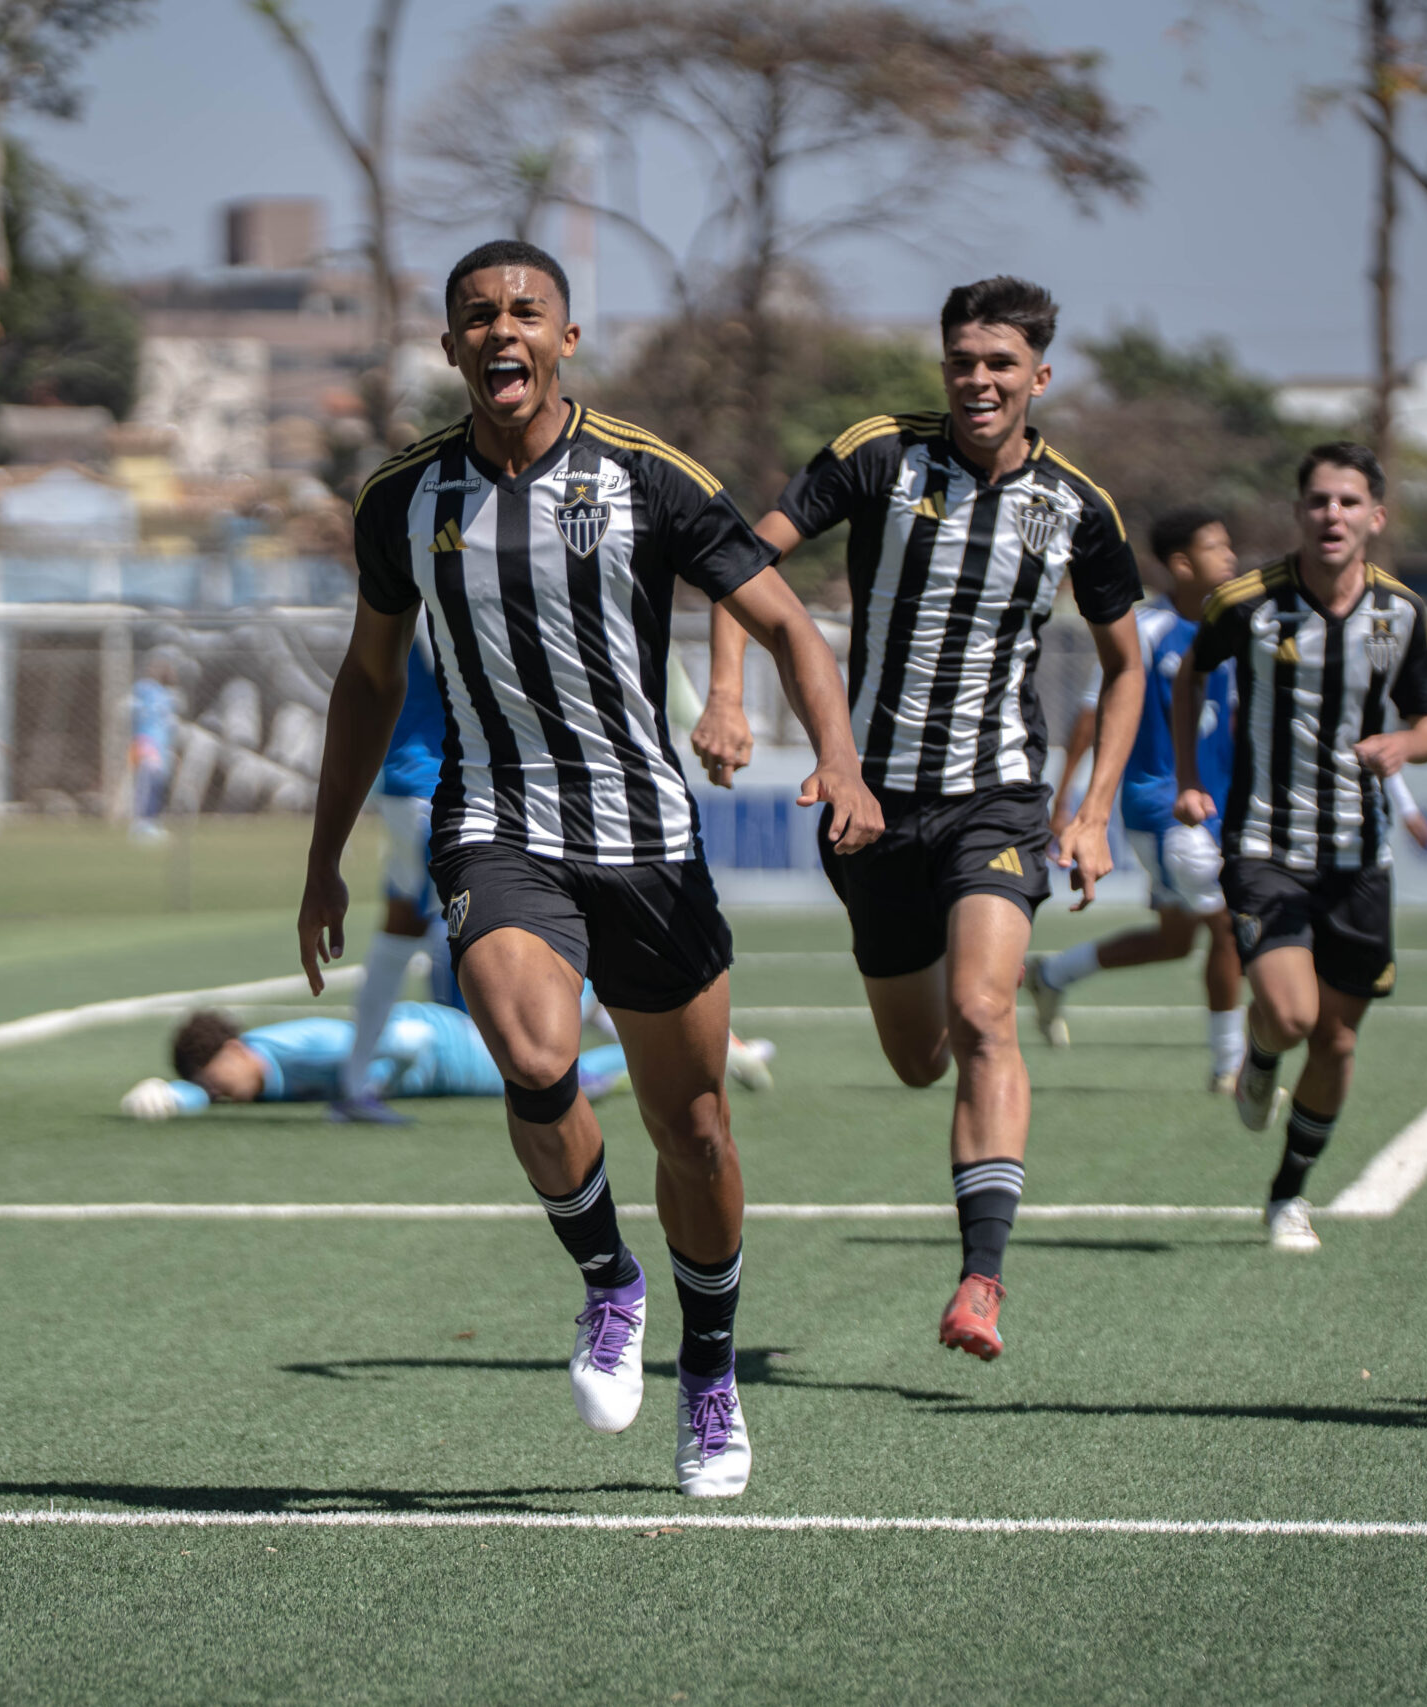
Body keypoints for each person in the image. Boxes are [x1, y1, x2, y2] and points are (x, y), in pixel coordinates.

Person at [298, 239, 881, 1499]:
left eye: (526, 312)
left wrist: (836, 759)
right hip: (497, 825)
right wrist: (322, 860)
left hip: (651, 849)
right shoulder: (401, 498)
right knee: (532, 1054)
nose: (500, 331)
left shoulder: (647, 478)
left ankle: (711, 1380)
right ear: (448, 347)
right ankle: (611, 1285)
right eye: (475, 316)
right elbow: (368, 679)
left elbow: (787, 625)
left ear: (565, 339)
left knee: (698, 1131)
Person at [696, 276, 1145, 1362]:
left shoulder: (1078, 507)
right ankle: (958, 1009)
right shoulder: (880, 455)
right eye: (962, 362)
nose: (978, 381)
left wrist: (1089, 814)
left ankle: (979, 1281)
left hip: (996, 798)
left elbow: (1128, 666)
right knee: (919, 1057)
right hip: (869, 808)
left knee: (986, 1015)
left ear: (1040, 376)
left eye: (1001, 365)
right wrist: (721, 697)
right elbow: (735, 563)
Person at [1173, 442, 1427, 1252]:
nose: (1333, 514)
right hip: (1264, 843)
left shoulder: (1399, 612)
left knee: (1337, 1038)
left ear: (1375, 517)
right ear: (1299, 513)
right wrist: (1192, 776)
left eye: (1349, 501)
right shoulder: (1246, 601)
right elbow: (1190, 677)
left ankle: (1287, 1195)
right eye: (1319, 501)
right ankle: (1260, 1050)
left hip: (1361, 857)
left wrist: (1404, 745)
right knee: (1292, 1014)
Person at [1024, 506, 1246, 1092]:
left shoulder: (1238, 628)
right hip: (1160, 806)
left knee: (1176, 941)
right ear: (1180, 564)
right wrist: (1067, 798)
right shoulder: (1144, 631)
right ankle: (1232, 1064)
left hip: (1218, 808)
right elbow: (1092, 716)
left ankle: (1053, 974)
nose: (1231, 557)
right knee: (1229, 924)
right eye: (1216, 546)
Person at [332, 633, 456, 1126]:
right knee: (497, 919)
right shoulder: (431, 587)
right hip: (431, 787)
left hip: (419, 785)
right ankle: (557, 1062)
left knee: (401, 931)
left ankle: (354, 1082)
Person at [120, 1003, 625, 1117]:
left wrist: (365, 1089)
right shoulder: (250, 1079)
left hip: (451, 1050)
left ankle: (595, 996)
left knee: (561, 1075)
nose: (220, 1093)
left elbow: (406, 1041)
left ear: (235, 1050)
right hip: (442, 1077)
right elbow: (204, 1097)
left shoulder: (300, 1043)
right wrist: (171, 1098)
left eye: (215, 1082)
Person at [129, 654, 181, 842]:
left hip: (161, 745)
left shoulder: (168, 695)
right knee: (147, 783)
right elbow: (132, 711)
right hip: (146, 742)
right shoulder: (143, 689)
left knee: (158, 785)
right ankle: (141, 825)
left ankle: (152, 822)